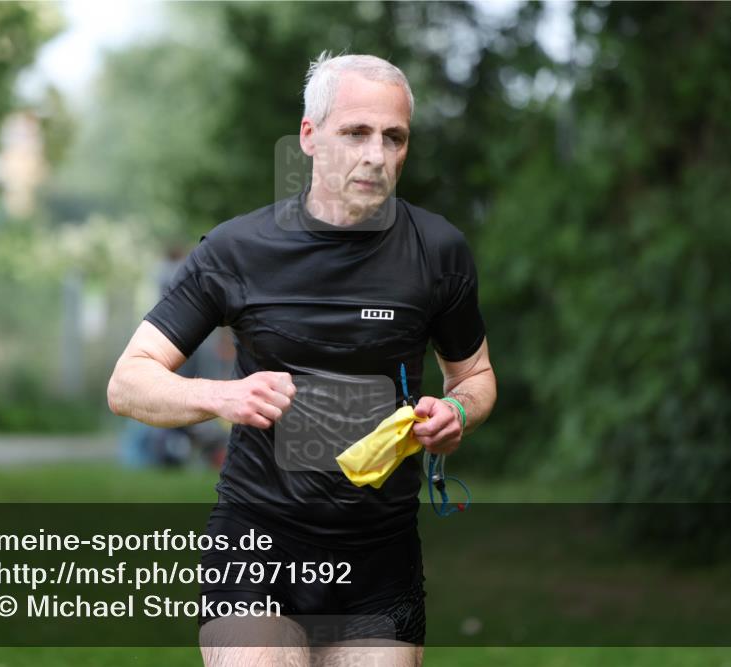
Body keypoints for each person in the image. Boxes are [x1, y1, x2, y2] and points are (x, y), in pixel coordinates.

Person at [107, 51, 497, 667]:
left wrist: (457, 412)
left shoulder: (438, 251)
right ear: (310, 137)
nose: (376, 154)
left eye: (394, 137)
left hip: (380, 555)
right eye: (356, 132)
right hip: (257, 541)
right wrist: (221, 396)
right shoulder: (238, 250)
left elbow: (473, 376)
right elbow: (128, 381)